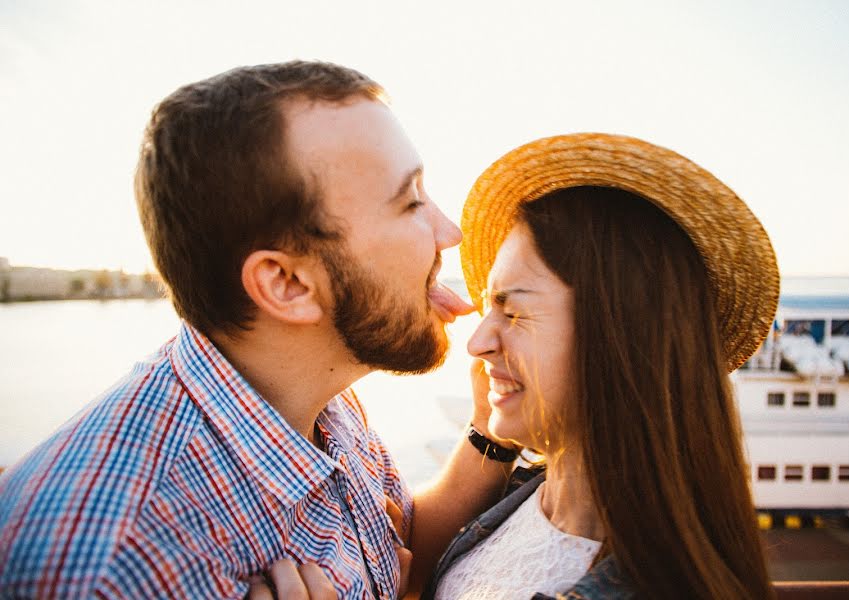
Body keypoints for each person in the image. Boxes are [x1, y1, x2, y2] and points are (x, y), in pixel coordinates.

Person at [0, 61, 514, 598]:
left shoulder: (316, 392)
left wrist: (490, 428)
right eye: (410, 201)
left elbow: (400, 545)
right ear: (287, 284)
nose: (449, 232)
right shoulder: (110, 566)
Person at [420, 133, 780, 599]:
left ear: (614, 337)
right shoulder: (529, 494)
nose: (477, 343)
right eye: (490, 307)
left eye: (513, 313)